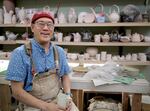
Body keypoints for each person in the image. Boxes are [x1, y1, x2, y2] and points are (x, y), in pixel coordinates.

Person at [6, 11, 78, 111]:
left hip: (57, 100)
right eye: (41, 24)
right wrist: (46, 106)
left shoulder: (59, 51)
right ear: (32, 27)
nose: (45, 28)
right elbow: (16, 91)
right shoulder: (20, 54)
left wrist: (67, 95)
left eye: (50, 25)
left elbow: (65, 76)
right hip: (32, 105)